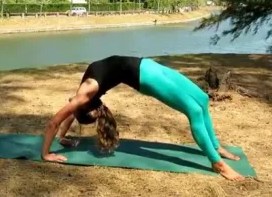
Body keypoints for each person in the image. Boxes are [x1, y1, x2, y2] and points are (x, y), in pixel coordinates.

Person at [41, 55, 245, 181]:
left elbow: (55, 121)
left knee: (201, 99)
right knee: (194, 111)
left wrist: (46, 153)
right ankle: (216, 162)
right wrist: (62, 137)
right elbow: (70, 113)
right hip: (146, 77)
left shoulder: (84, 95)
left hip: (147, 66)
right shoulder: (83, 98)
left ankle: (215, 146)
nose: (72, 108)